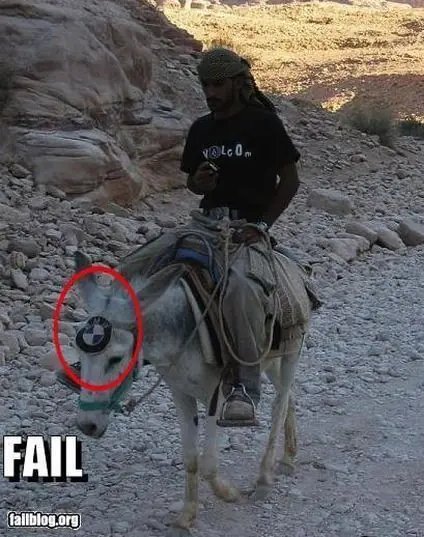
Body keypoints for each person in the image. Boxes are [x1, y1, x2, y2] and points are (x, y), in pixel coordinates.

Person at [57, 47, 302, 428]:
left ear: (237, 84)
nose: (210, 93)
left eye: (218, 85)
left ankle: (242, 388)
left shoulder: (264, 124)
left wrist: (263, 225)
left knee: (241, 289)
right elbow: (192, 183)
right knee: (132, 266)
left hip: (247, 229)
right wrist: (198, 182)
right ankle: (96, 355)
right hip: (204, 223)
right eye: (205, 85)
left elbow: (290, 181)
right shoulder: (202, 129)